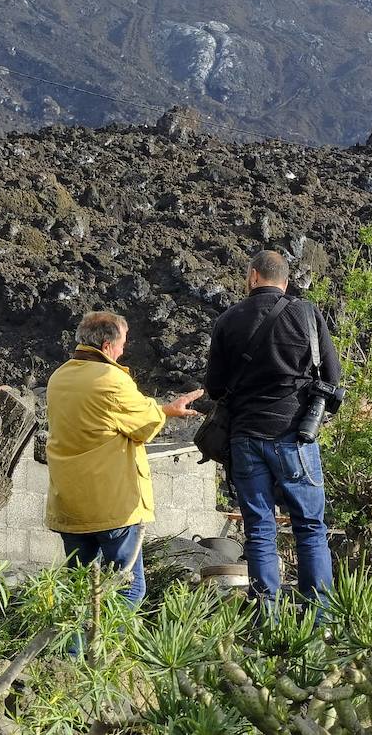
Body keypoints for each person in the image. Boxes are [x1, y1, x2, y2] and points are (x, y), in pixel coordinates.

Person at [204, 249, 341, 606]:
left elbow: (214, 388)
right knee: (310, 527)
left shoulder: (228, 320)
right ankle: (319, 618)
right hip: (296, 436)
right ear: (286, 281)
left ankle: (268, 618)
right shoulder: (307, 313)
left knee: (260, 531)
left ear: (253, 277)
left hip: (245, 438)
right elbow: (332, 376)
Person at [45, 310, 203, 605]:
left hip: (68, 502)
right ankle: (111, 637)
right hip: (111, 504)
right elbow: (142, 425)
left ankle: (77, 638)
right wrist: (168, 411)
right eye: (122, 342)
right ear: (107, 345)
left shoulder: (59, 377)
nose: (123, 349)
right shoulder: (111, 379)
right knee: (129, 588)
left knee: (80, 593)